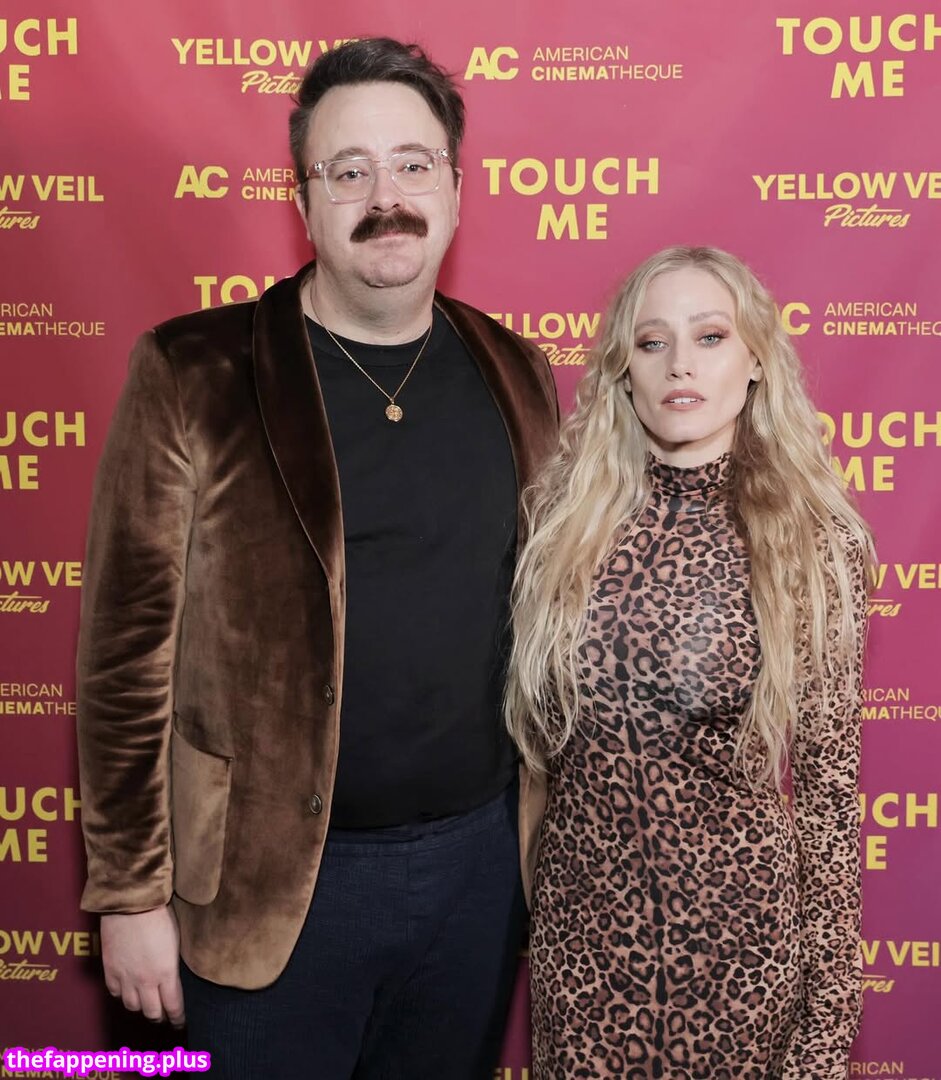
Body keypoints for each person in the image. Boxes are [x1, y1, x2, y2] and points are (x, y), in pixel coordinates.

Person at [76, 37, 558, 1080]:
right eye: (348, 171)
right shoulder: (193, 371)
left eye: (412, 164)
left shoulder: (517, 372)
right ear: (305, 202)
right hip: (264, 888)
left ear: (455, 190)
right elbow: (123, 657)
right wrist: (129, 895)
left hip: (478, 878)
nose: (386, 198)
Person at [506, 246, 873, 1079]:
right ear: (622, 370)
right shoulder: (562, 525)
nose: (679, 364)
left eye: (709, 337)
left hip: (740, 965)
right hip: (580, 964)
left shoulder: (810, 542)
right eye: (651, 341)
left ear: (755, 361)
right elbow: (536, 768)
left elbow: (826, 796)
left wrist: (825, 1025)